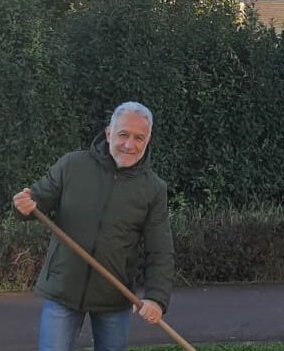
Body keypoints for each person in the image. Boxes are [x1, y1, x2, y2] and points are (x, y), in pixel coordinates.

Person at [13, 101, 174, 351]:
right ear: (109, 132)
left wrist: (156, 298)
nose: (129, 145)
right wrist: (25, 205)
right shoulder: (73, 165)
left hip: (114, 296)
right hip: (63, 288)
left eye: (139, 138)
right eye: (123, 134)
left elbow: (160, 249)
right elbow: (37, 200)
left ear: (148, 139)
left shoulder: (153, 189)